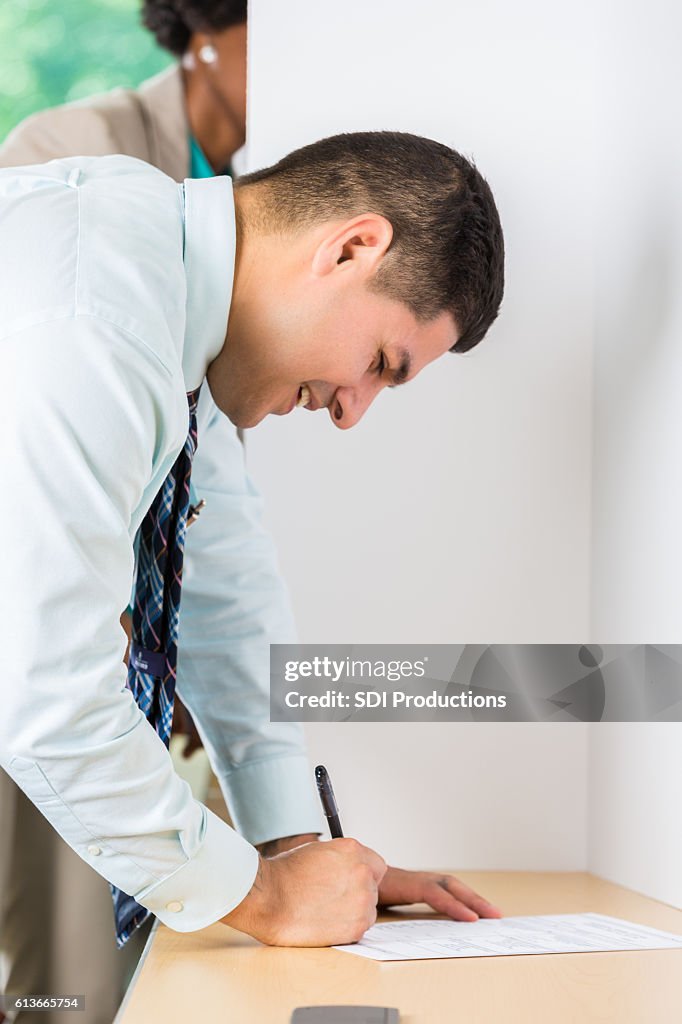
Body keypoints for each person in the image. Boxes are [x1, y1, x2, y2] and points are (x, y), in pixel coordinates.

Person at [0, 134, 504, 1014]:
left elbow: (226, 599)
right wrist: (266, 899)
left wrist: (299, 857)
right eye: (382, 364)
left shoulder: (179, 308)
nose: (353, 411)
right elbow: (46, 694)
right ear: (353, 247)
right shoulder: (98, 317)